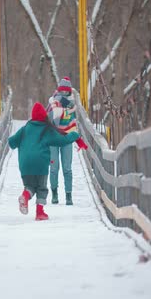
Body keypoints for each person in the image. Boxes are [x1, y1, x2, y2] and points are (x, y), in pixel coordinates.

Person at [8, 102, 79, 221]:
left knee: (29, 186)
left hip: (25, 165)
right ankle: (39, 213)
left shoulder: (25, 128)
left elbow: (11, 142)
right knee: (41, 188)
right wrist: (74, 135)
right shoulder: (47, 129)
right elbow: (62, 140)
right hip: (41, 164)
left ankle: (25, 196)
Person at [47, 77, 88, 205]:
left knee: (67, 168)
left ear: (69, 92)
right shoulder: (53, 102)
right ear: (58, 91)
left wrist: (79, 140)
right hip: (53, 138)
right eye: (61, 92)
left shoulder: (72, 105)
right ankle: (54, 193)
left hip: (66, 139)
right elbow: (50, 118)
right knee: (54, 168)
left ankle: (68, 195)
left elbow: (73, 125)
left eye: (66, 92)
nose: (63, 94)